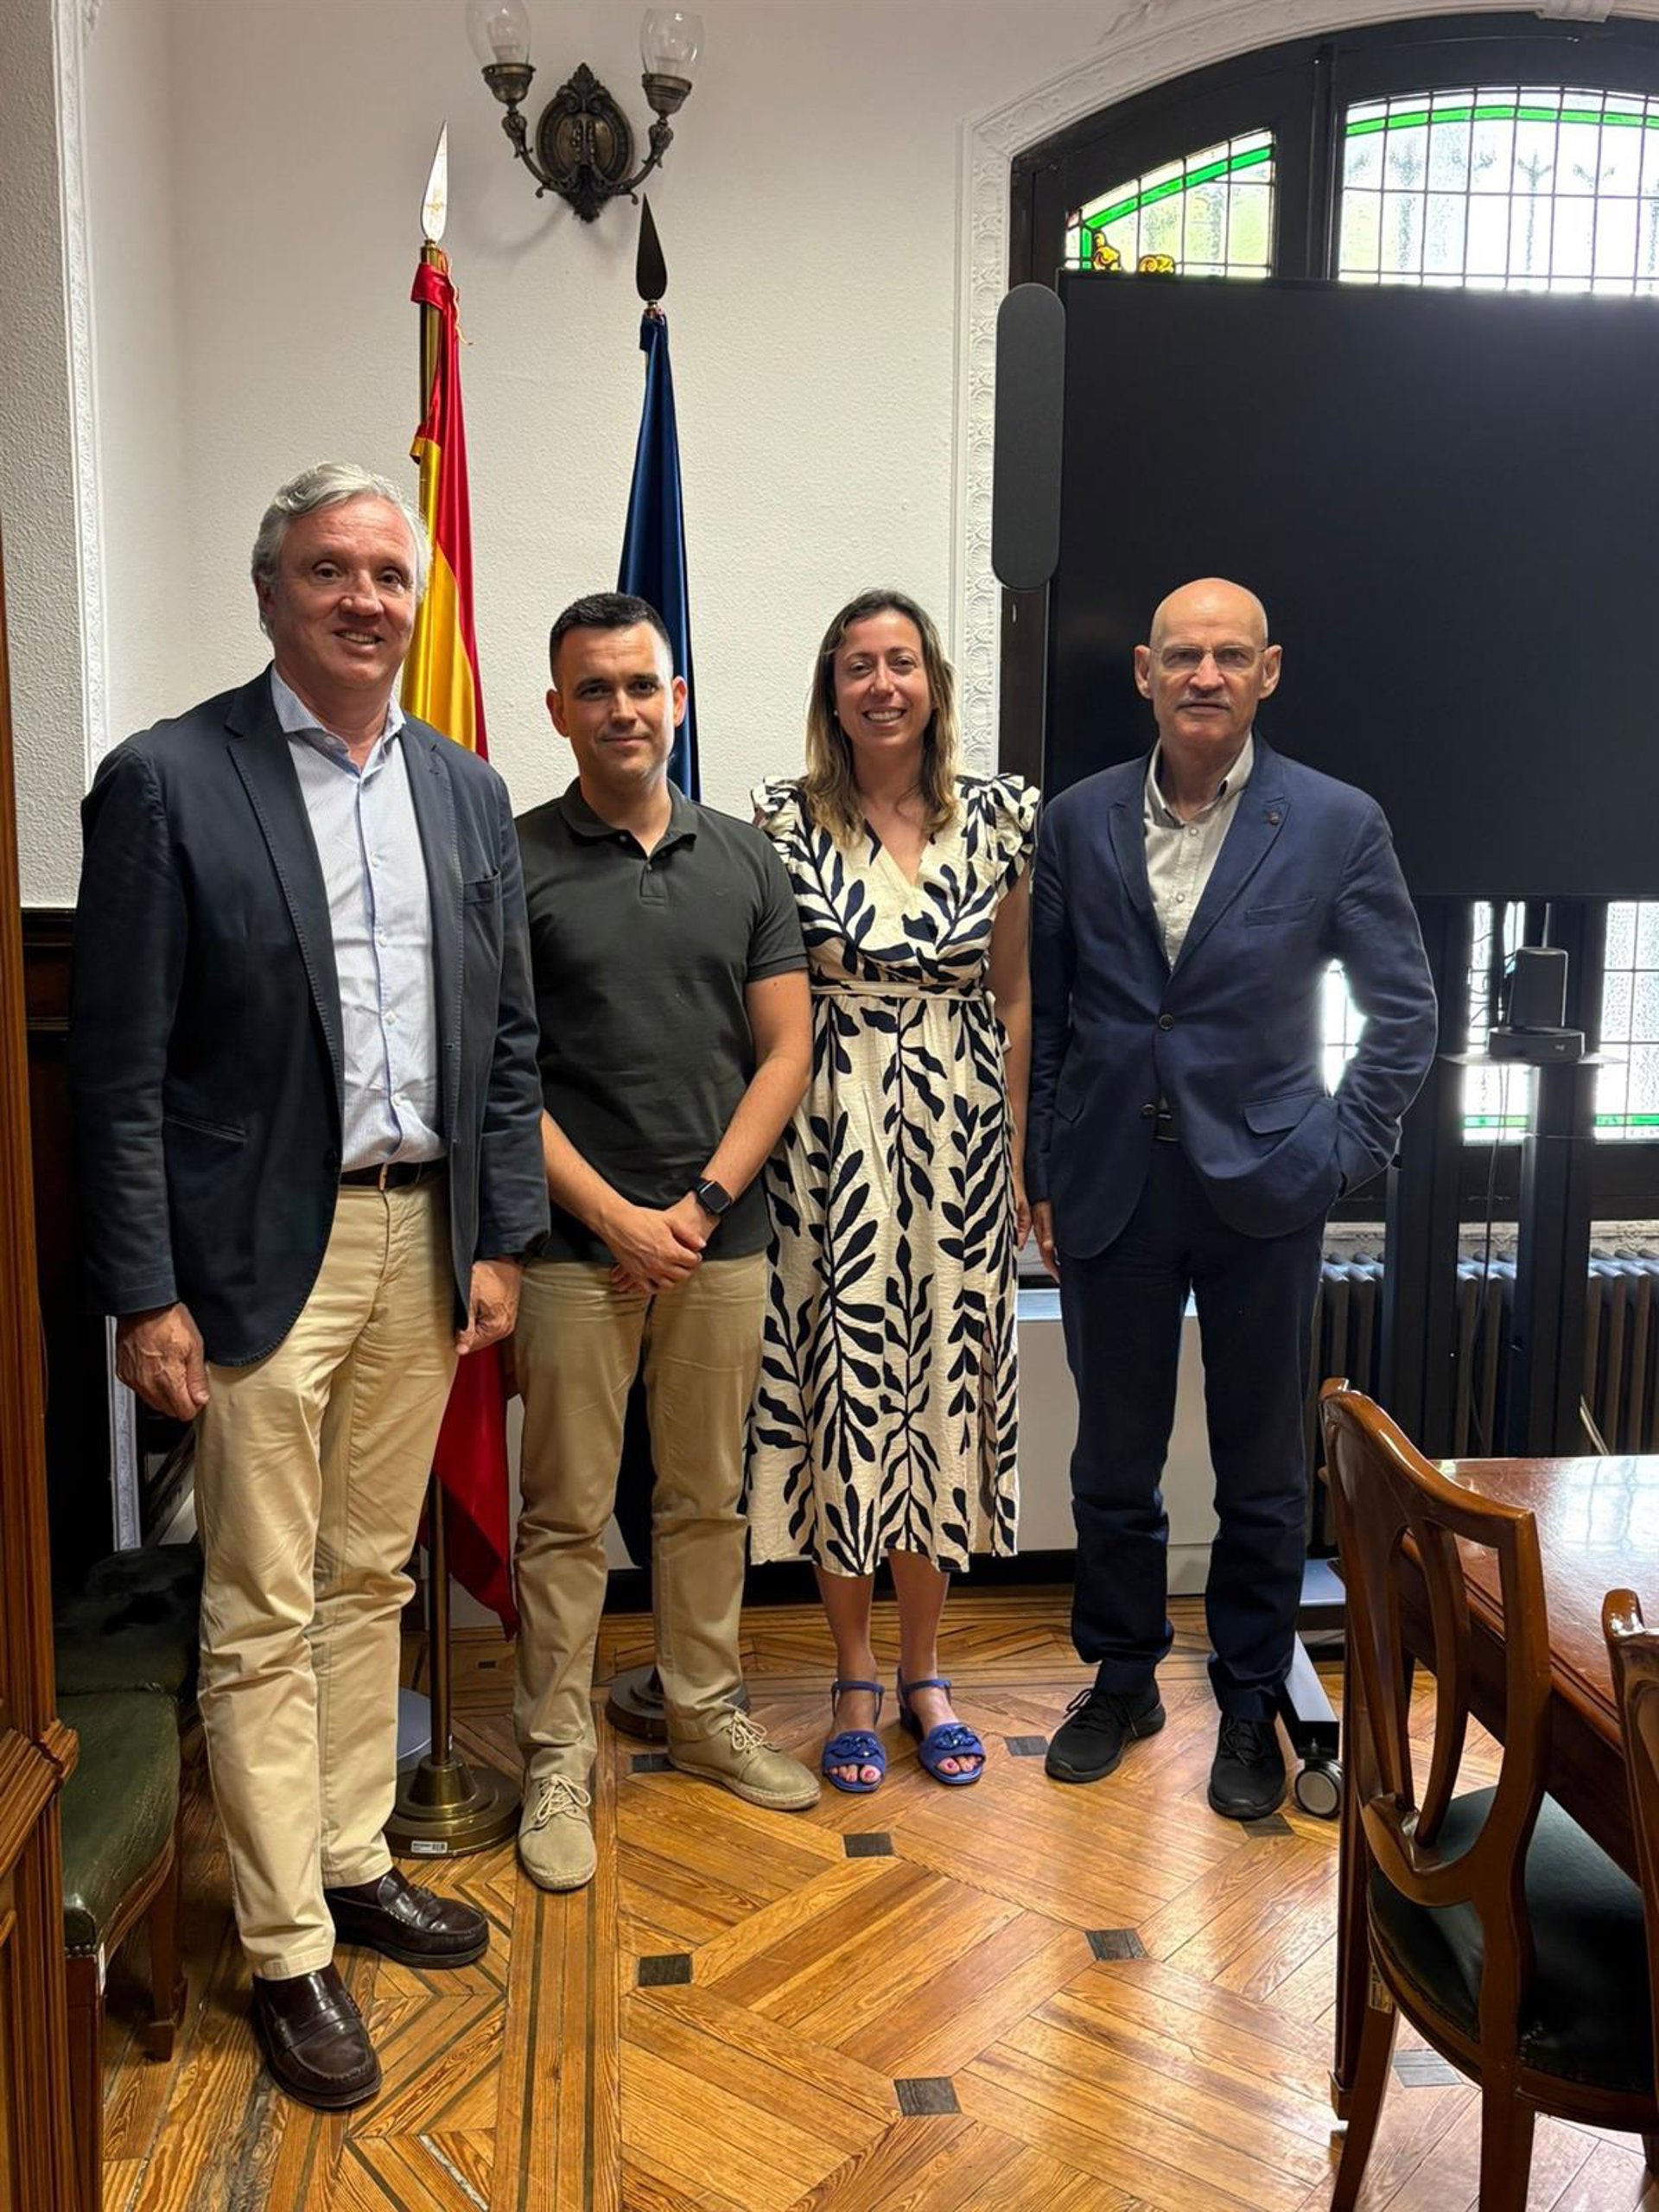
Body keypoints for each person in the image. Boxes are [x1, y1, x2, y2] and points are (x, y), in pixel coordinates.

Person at [67, 463, 548, 2107]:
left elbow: (506, 1040)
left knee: (368, 1580)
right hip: (253, 1258)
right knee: (263, 1605)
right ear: (269, 592)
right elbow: (116, 1070)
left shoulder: (467, 793)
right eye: (331, 572)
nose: (365, 601)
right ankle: (285, 1951)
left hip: (426, 1240)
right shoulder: (166, 781)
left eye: (389, 577)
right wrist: (144, 1293)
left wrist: (497, 1238)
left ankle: (350, 1860)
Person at [1027, 576, 1436, 1820]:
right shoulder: (1077, 821)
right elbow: (1054, 1016)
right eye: (1182, 655)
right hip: (1112, 1186)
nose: (1204, 674)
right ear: (1144, 673)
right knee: (1113, 1459)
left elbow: (1404, 1013)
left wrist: (1334, 1154)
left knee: (1261, 1470)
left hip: (1266, 1188)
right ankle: (1123, 1678)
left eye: (1229, 655)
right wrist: (1043, 1169)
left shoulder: (1336, 822)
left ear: (1268, 672)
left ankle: (1252, 1695)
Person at [511, 591, 819, 1892]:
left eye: (643, 685)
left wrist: (694, 1207)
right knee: (566, 1516)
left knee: (706, 1498)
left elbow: (786, 1050)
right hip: (573, 1252)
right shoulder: (513, 861)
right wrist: (616, 1217)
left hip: (720, 1242)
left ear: (677, 700)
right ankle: (554, 1757)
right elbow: (500, 1076)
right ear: (557, 710)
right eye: (595, 689)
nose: (622, 709)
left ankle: (703, 1710)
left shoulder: (746, 859)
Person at [747, 589, 1037, 1792]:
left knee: (942, 1400)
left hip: (962, 1143)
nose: (882, 684)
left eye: (901, 662)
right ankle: (854, 1674)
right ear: (832, 689)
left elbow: (1012, 996)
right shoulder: (780, 819)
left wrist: (1014, 1160)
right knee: (846, 1396)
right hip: (831, 1147)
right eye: (858, 665)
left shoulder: (1003, 815)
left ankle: (927, 1672)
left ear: (932, 684)